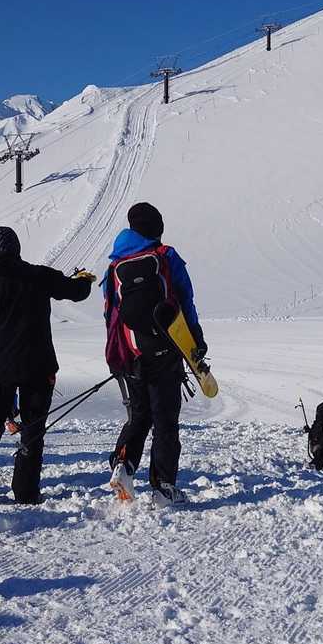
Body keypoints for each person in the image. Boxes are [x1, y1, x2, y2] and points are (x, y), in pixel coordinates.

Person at [0, 227, 93, 504]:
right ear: (17, 248)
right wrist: (84, 279)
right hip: (39, 365)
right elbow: (76, 292)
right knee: (33, 429)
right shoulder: (39, 275)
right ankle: (26, 491)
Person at [104, 202, 201, 504]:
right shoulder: (165, 256)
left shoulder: (115, 267)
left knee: (139, 415)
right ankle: (164, 487)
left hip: (132, 354)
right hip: (165, 352)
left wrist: (118, 354)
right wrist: (195, 339)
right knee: (165, 420)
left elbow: (111, 314)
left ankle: (123, 465)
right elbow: (185, 299)